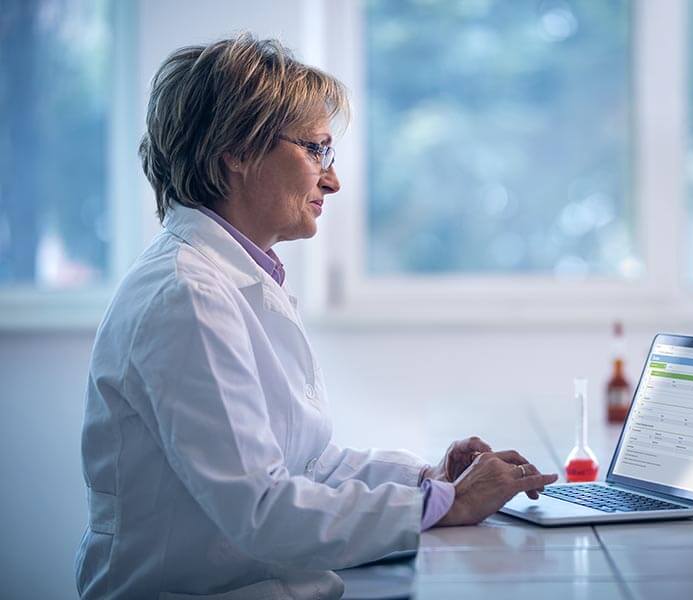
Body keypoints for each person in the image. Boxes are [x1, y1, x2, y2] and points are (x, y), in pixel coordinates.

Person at [75, 34, 557, 600]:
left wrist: (430, 480)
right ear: (237, 149)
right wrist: (446, 504)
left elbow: (307, 466)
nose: (332, 179)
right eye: (316, 151)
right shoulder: (186, 297)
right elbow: (262, 510)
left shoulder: (236, 279)